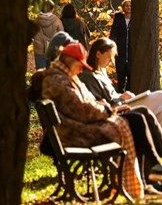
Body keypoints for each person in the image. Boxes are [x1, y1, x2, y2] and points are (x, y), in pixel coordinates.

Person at [39, 42, 147, 199]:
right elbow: (81, 109)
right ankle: (131, 183)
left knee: (125, 122)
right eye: (80, 65)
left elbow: (83, 104)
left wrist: (101, 106)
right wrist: (107, 110)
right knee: (125, 125)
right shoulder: (59, 81)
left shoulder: (63, 77)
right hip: (74, 135)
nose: (81, 69)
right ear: (71, 62)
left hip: (73, 129)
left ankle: (130, 182)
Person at [80, 37, 162, 153]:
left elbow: (111, 95)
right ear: (98, 54)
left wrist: (122, 94)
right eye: (109, 57)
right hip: (118, 111)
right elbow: (98, 102)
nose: (111, 62)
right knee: (161, 96)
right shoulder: (88, 76)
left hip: (122, 104)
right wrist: (119, 99)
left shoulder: (101, 72)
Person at [109, 0, 132, 91]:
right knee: (121, 74)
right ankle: (120, 95)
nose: (128, 7)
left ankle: (129, 96)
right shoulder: (118, 18)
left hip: (131, 51)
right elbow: (113, 33)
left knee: (131, 74)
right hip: (121, 50)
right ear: (123, 8)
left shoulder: (136, 19)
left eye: (130, 5)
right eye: (126, 5)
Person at [33, 2, 64, 69]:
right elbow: (62, 35)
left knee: (40, 72)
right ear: (52, 9)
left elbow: (32, 33)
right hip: (53, 49)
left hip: (39, 49)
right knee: (51, 73)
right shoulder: (57, 21)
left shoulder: (36, 21)